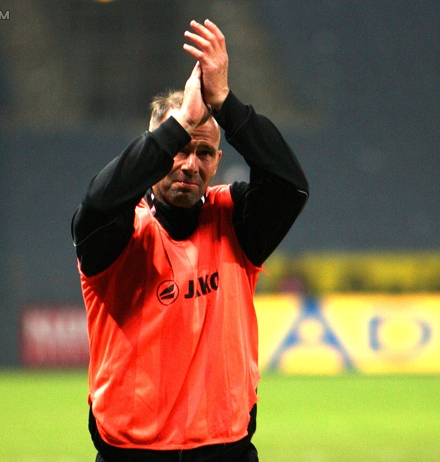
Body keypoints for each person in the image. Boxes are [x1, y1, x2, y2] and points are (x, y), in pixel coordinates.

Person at [71, 19, 309, 462]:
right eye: (178, 149)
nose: (188, 164)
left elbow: (289, 186)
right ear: (155, 148)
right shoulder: (123, 230)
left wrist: (224, 103)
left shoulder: (233, 220)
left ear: (218, 161)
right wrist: (179, 124)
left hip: (225, 450)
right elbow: (99, 203)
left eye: (202, 152)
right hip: (131, 453)